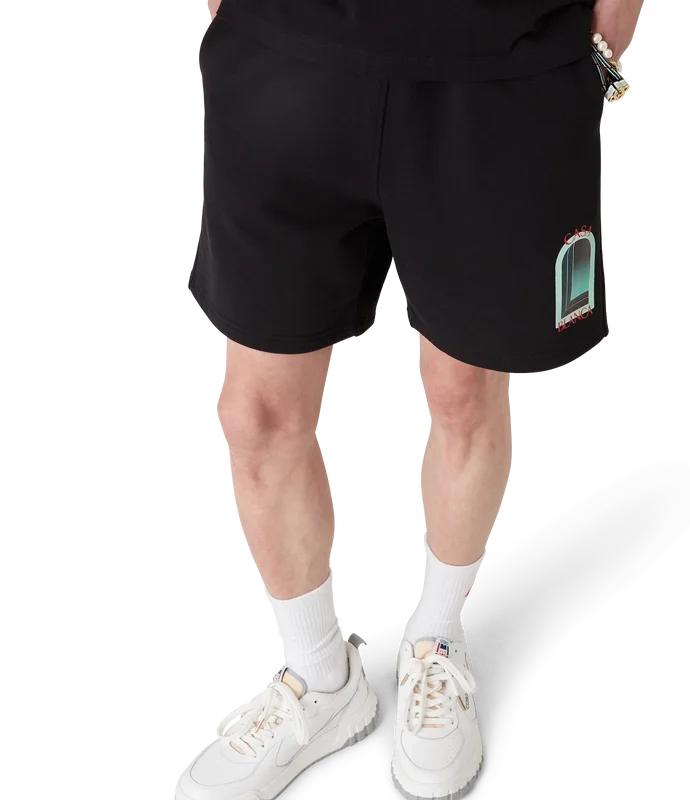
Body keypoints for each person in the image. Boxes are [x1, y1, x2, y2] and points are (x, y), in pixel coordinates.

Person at [180, 2, 644, 798]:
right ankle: (320, 679)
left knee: (463, 392)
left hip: (497, 65)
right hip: (284, 47)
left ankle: (434, 643)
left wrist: (608, 38)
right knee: (255, 416)